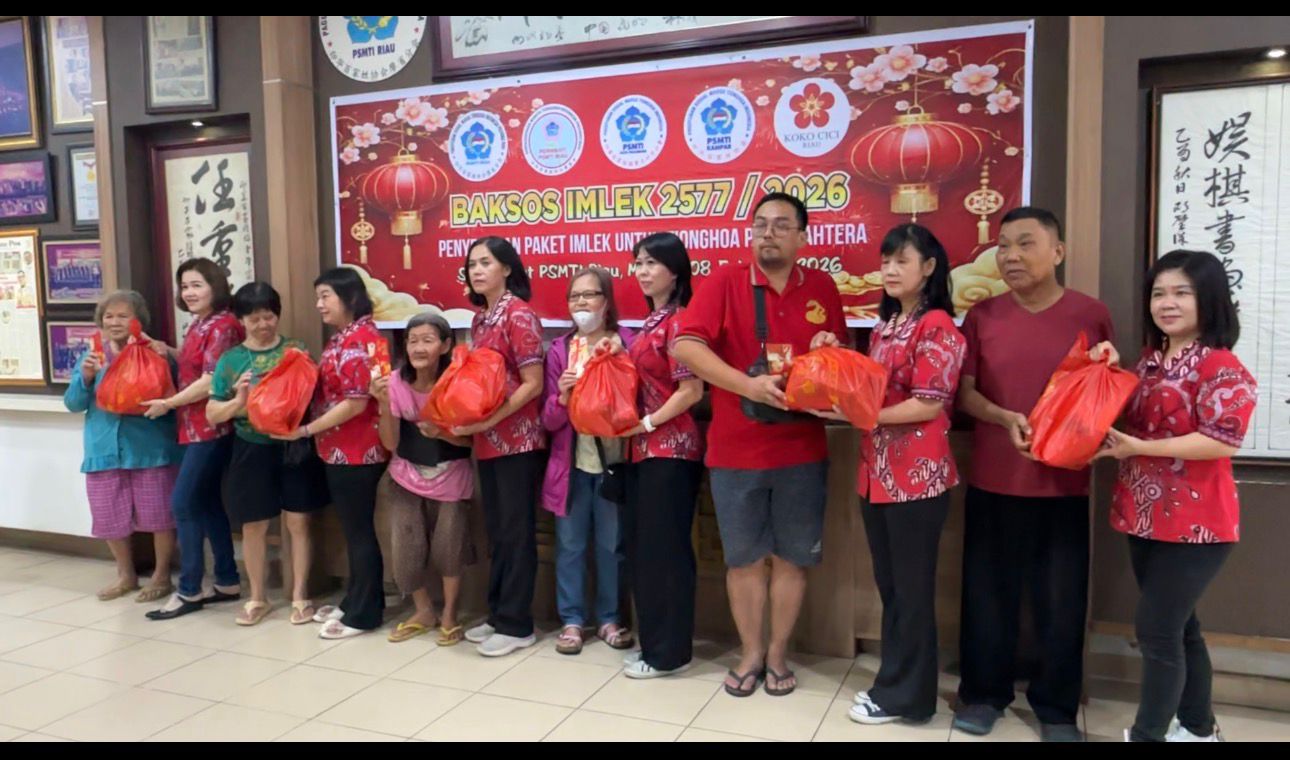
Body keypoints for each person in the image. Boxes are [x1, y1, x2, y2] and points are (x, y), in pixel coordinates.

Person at [673, 192, 847, 697]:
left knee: (792, 559)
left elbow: (840, 362)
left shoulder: (822, 287)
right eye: (760, 224)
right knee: (744, 560)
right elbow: (686, 345)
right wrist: (746, 386)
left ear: (802, 236)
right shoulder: (724, 281)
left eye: (781, 225)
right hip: (736, 451)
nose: (768, 233)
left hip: (802, 449)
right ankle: (750, 653)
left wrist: (830, 350)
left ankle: (777, 654)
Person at [952, 207, 1113, 741]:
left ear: (1057, 252)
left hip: (1064, 483)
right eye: (1003, 246)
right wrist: (1003, 417)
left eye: (1025, 244)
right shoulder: (983, 315)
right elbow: (965, 393)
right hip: (993, 479)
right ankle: (983, 695)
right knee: (986, 594)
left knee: (1060, 601)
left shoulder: (1090, 314)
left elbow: (1104, 389)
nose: (1011, 256)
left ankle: (1057, 709)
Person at [1091, 250, 1255, 743]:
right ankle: (1200, 730)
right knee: (1182, 629)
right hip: (1142, 514)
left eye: (1182, 292)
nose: (1168, 303)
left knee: (1158, 631)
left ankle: (1149, 735)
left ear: (1209, 299)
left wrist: (1141, 447)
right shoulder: (1148, 361)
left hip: (1198, 522)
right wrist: (1110, 369)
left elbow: (1222, 440)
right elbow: (1123, 410)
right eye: (1159, 293)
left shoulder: (1222, 366)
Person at [815, 225, 965, 724]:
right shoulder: (886, 326)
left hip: (917, 478)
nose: (890, 270)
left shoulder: (937, 325)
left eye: (902, 260)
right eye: (885, 261)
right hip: (876, 475)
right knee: (894, 589)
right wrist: (833, 352)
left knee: (912, 592)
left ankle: (909, 697)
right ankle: (896, 685)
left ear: (929, 267)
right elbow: (867, 387)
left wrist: (863, 416)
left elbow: (928, 404)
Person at [206, 282, 329, 626]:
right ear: (241, 320)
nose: (263, 325)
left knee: (298, 521)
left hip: (294, 445)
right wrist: (239, 401)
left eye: (269, 316)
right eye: (255, 318)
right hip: (250, 447)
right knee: (254, 524)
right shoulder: (231, 361)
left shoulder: (296, 350)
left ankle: (300, 595)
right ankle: (258, 597)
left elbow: (313, 394)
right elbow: (212, 413)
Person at [281, 267, 389, 639]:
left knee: (359, 531)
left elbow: (356, 404)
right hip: (338, 449)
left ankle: (365, 613)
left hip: (357, 449)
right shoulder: (347, 336)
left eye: (326, 295)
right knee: (353, 529)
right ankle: (356, 598)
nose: (319, 304)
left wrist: (306, 430)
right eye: (318, 297)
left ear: (350, 297)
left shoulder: (361, 339)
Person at [617, 233, 705, 679]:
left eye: (652, 262)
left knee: (666, 552)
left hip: (672, 450)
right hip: (640, 450)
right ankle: (653, 644)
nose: (643, 271)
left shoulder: (682, 320)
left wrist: (649, 424)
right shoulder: (650, 322)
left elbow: (692, 390)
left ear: (675, 270)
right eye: (638, 263)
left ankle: (669, 653)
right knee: (645, 550)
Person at [457, 237, 547, 657]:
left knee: (516, 531)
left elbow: (534, 384)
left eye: (485, 263)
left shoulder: (520, 314)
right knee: (496, 530)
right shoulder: (480, 319)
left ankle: (517, 624)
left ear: (507, 268)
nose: (477, 271)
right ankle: (497, 614)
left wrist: (491, 420)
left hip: (518, 441)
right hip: (487, 439)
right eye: (472, 264)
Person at [540, 267, 635, 656]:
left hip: (615, 461)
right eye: (574, 296)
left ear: (606, 301)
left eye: (590, 294)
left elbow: (637, 401)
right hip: (571, 465)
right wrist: (562, 397)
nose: (581, 302)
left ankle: (610, 618)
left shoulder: (627, 342)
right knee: (570, 545)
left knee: (612, 545)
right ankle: (572, 620)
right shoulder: (560, 350)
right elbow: (548, 420)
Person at [65, 290, 181, 604]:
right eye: (108, 316)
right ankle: (125, 574)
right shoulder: (92, 356)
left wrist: (164, 359)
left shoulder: (153, 353)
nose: (114, 322)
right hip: (103, 449)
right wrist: (85, 377)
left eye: (122, 316)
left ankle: (161, 575)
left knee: (159, 514)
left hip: (150, 448)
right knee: (108, 514)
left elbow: (173, 397)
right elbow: (73, 403)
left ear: (138, 321)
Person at [145, 259, 245, 621]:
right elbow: (195, 367)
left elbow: (210, 379)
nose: (188, 292)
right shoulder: (201, 323)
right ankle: (227, 581)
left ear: (215, 286)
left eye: (197, 285)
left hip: (212, 426)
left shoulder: (224, 325)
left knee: (184, 502)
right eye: (184, 286)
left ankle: (189, 588)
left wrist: (168, 403)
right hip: (192, 426)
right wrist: (168, 351)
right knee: (206, 503)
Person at [371, 312, 475, 646]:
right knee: (406, 549)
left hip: (452, 476)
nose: (418, 348)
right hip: (405, 475)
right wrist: (384, 403)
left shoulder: (458, 381)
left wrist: (441, 433)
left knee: (450, 548)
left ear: (445, 345)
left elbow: (470, 441)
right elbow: (390, 443)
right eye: (412, 340)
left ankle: (450, 615)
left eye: (427, 340)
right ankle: (423, 611)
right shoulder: (394, 382)